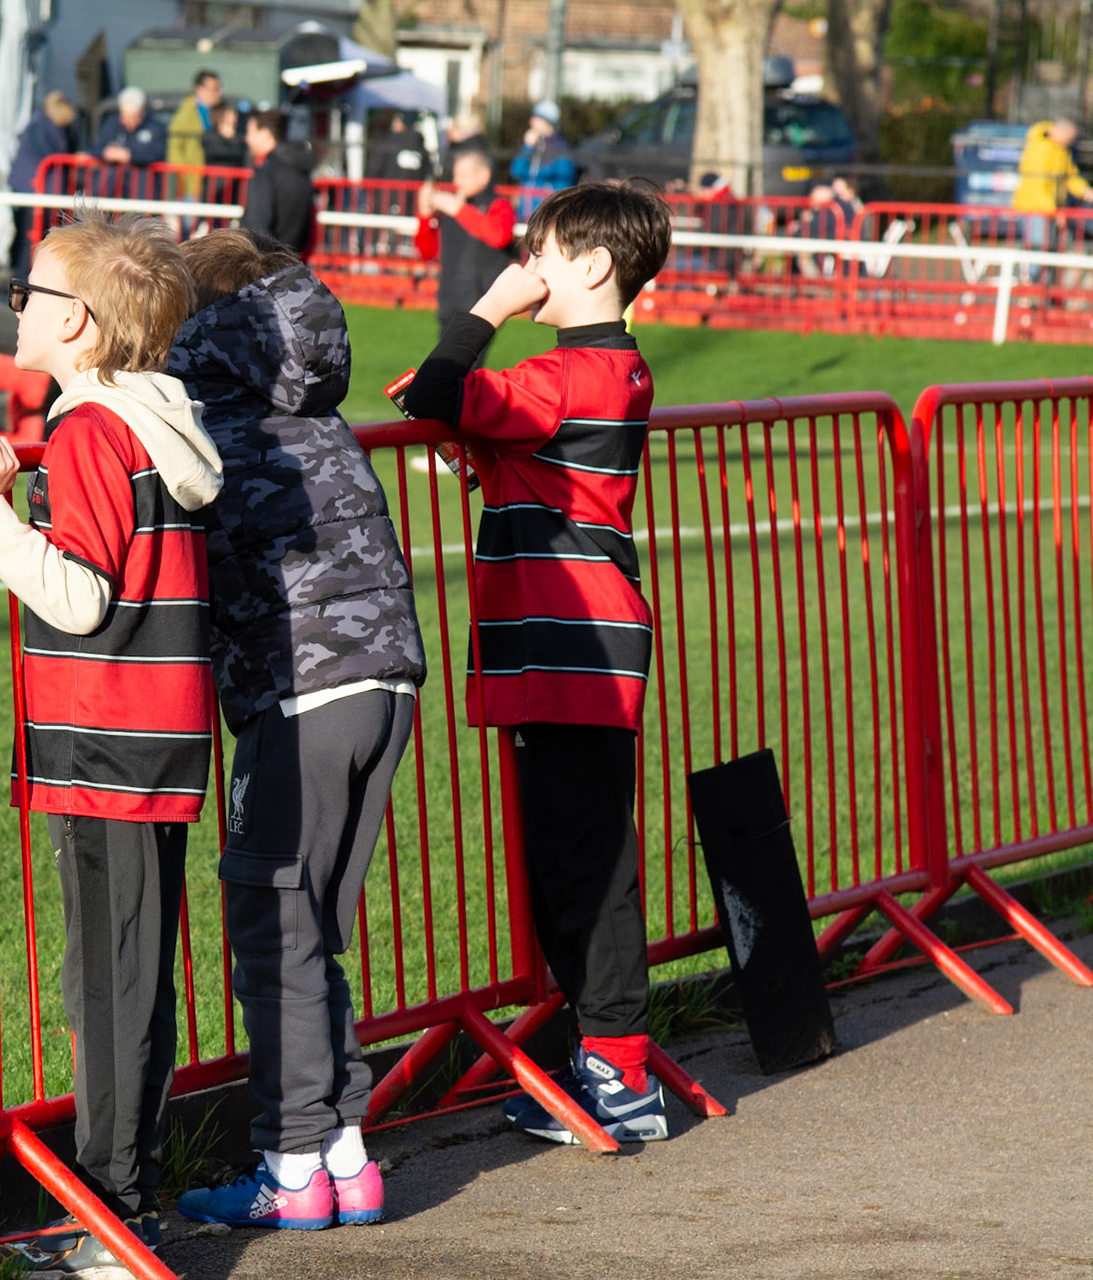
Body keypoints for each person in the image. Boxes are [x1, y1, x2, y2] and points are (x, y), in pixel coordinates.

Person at [399, 181, 676, 1146]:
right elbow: (491, 431)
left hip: (574, 647)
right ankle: (603, 1058)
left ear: (593, 266)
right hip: (563, 646)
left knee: (588, 865)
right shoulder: (600, 372)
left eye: (542, 253)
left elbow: (434, 390)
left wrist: (487, 304)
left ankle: (622, 1074)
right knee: (567, 857)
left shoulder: (573, 374)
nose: (528, 266)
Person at [0, 212, 221, 1278]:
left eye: (30, 294)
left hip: (112, 742)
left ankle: (116, 1215)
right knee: (122, 972)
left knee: (115, 984)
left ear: (76, 323)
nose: (16, 308)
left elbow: (77, 592)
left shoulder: (89, 430)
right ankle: (120, 1200)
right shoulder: (156, 418)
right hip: (143, 738)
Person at [166, 229, 426, 1231]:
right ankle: (345, 1153)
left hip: (301, 693)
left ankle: (290, 1161)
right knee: (314, 928)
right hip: (384, 680)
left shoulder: (214, 421)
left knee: (277, 933)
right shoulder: (310, 402)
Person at [416, 146, 515, 353]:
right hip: (449, 301)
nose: (456, 182)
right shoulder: (452, 208)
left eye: (463, 175)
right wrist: (425, 217)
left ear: (484, 175)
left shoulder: (499, 206)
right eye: (455, 175)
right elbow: (427, 251)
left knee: (461, 374)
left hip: (482, 305)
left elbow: (498, 236)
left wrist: (459, 210)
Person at [8, 90, 80, 272]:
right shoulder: (40, 126)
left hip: (37, 189)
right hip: (34, 190)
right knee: (31, 235)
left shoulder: (43, 124)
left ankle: (28, 275)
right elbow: (49, 156)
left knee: (34, 235)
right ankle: (25, 277)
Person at [1013, 118, 1089, 281]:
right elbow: (1038, 186)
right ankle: (1030, 288)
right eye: (1069, 138)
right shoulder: (1040, 148)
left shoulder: (1061, 150)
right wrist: (1055, 212)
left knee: (1048, 251)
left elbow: (1069, 176)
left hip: (1049, 209)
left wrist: (1084, 190)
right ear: (1058, 132)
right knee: (1038, 249)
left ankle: (1042, 293)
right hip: (1034, 208)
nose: (1071, 142)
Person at [239, 108, 316, 254]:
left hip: (266, 264)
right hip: (293, 261)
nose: (247, 138)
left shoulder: (266, 171)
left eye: (250, 132)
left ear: (265, 134)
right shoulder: (301, 169)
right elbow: (310, 232)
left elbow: (257, 229)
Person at [93, 86, 167, 196]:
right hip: (111, 188)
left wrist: (129, 155)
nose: (128, 121)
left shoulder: (156, 127)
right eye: (125, 116)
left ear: (142, 112)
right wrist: (106, 152)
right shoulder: (112, 123)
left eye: (133, 117)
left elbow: (157, 153)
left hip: (143, 191)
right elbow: (95, 147)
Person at [509, 99, 577, 215]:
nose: (532, 122)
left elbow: (564, 183)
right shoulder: (532, 145)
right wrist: (527, 147)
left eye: (537, 118)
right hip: (524, 212)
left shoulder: (561, 148)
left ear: (547, 122)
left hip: (545, 214)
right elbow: (516, 171)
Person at [166, 69, 223, 172]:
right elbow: (174, 148)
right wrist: (182, 175)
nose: (218, 93)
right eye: (214, 89)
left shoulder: (221, 112)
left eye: (219, 89)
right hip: (193, 177)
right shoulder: (186, 113)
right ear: (199, 89)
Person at [201, 101, 247, 169]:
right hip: (215, 177)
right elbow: (219, 153)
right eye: (230, 113)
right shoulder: (209, 137)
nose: (235, 115)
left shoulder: (240, 138)